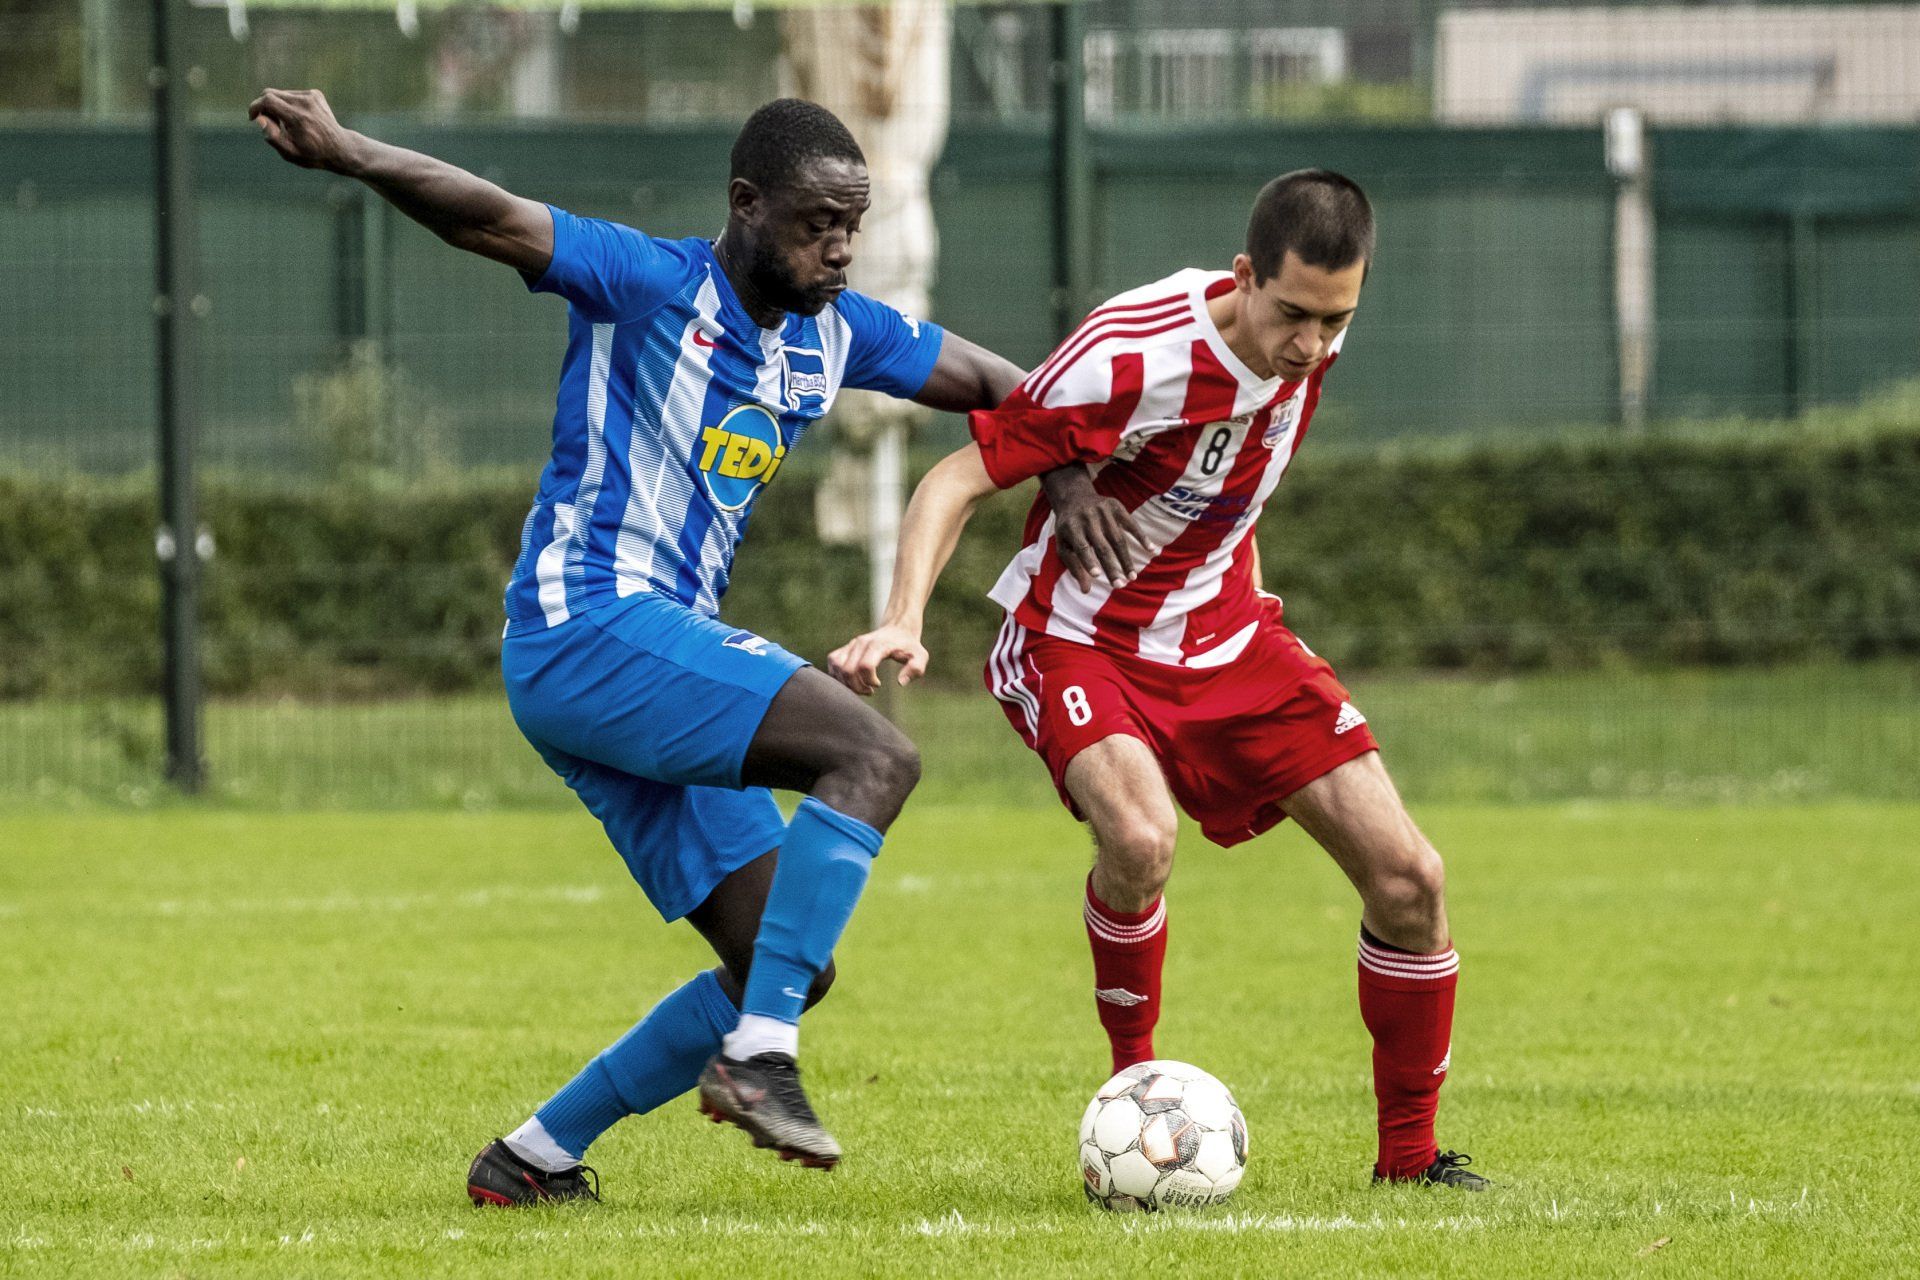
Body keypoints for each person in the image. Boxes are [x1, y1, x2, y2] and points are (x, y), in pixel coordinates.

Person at [249, 90, 1034, 1201]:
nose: (840, 248)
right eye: (817, 223)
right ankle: (759, 1060)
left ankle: (531, 1159)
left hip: (640, 655)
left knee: (783, 962)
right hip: (588, 624)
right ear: (746, 204)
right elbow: (489, 216)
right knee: (875, 757)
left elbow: (1008, 392)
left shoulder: (839, 332)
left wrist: (1079, 466)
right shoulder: (650, 282)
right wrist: (351, 152)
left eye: (852, 225)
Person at [829, 170, 1489, 1189]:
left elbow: (1232, 482)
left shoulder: (1313, 336)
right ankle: (1132, 1087)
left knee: (1413, 880)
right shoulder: (1130, 352)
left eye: (1337, 320)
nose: (1312, 344)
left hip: (1228, 638)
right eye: (1294, 315)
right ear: (1244, 275)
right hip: (1079, 637)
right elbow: (956, 477)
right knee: (1140, 837)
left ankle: (1410, 1162)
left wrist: (1242, 598)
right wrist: (903, 619)